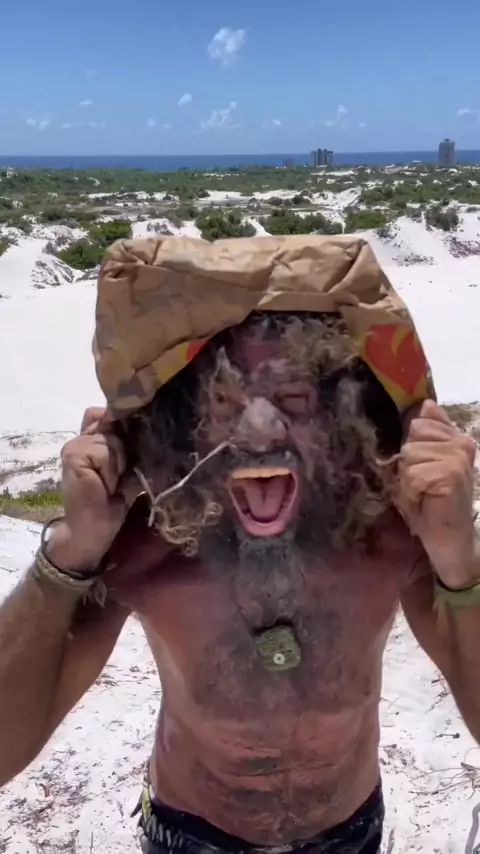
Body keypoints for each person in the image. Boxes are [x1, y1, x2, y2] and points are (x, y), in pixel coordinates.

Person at [1, 309, 480, 854]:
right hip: (191, 834)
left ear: (338, 417)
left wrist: (459, 556)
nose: (259, 431)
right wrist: (69, 551)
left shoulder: (387, 534)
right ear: (188, 423)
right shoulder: (148, 543)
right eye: (225, 402)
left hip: (351, 831)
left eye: (294, 398)